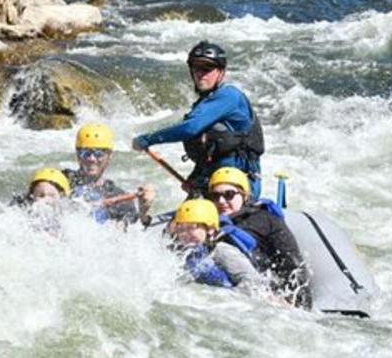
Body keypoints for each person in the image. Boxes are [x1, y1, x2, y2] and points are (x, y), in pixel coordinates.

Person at [131, 41, 265, 198]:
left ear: (221, 72)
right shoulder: (203, 104)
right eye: (196, 68)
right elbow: (210, 154)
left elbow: (190, 128)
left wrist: (149, 139)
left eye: (207, 68)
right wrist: (195, 178)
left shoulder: (229, 96)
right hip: (212, 178)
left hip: (237, 185)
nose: (201, 73)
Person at [207, 167, 310, 308]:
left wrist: (295, 301)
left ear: (244, 196)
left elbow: (291, 263)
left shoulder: (263, 219)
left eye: (229, 194)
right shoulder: (212, 220)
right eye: (215, 196)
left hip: (274, 294)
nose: (221, 201)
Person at [63, 123, 156, 224]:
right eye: (86, 153)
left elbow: (133, 232)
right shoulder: (62, 180)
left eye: (99, 154)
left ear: (110, 155)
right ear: (77, 154)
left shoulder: (121, 198)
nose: (92, 159)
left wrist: (143, 213)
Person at [167, 198, 266, 292]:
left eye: (193, 227)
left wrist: (220, 298)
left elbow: (253, 282)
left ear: (210, 229)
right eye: (181, 228)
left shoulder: (222, 251)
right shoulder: (179, 252)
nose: (185, 233)